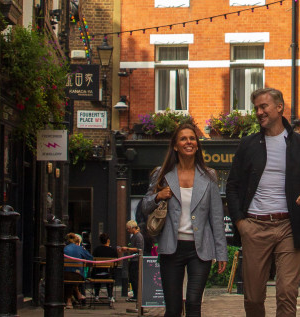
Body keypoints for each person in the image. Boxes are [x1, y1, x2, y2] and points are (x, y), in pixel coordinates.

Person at [225, 87, 300, 317]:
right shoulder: (247, 144)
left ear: (279, 107)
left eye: (264, 106)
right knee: (252, 297)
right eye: (256, 108)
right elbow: (232, 187)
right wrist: (241, 223)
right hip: (254, 226)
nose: (259, 112)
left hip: (289, 227)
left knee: (286, 293)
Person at [138, 122, 228, 317]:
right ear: (175, 146)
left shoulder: (210, 176)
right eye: (183, 138)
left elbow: (216, 218)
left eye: (192, 138)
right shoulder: (161, 174)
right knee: (173, 308)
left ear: (197, 144)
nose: (189, 142)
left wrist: (221, 253)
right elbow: (144, 207)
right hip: (172, 247)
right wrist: (158, 196)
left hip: (200, 249)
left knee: (194, 303)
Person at [64, 232, 93, 307]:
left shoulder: (64, 248)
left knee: (69, 277)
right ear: (77, 242)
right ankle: (76, 296)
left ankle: (69, 301)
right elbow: (90, 259)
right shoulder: (80, 248)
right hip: (78, 275)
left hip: (65, 275)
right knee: (73, 276)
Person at [119, 220, 144, 301]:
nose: (128, 231)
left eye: (128, 229)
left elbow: (139, 249)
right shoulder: (134, 236)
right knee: (132, 278)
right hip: (133, 259)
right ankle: (135, 295)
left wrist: (128, 249)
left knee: (135, 278)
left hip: (136, 260)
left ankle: (137, 296)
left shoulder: (138, 236)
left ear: (133, 228)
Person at [90, 233, 119, 302]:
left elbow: (92, 262)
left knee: (96, 272)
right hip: (108, 274)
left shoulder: (96, 250)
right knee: (111, 274)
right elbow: (116, 264)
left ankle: (96, 295)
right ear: (108, 240)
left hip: (97, 274)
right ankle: (110, 295)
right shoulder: (113, 250)